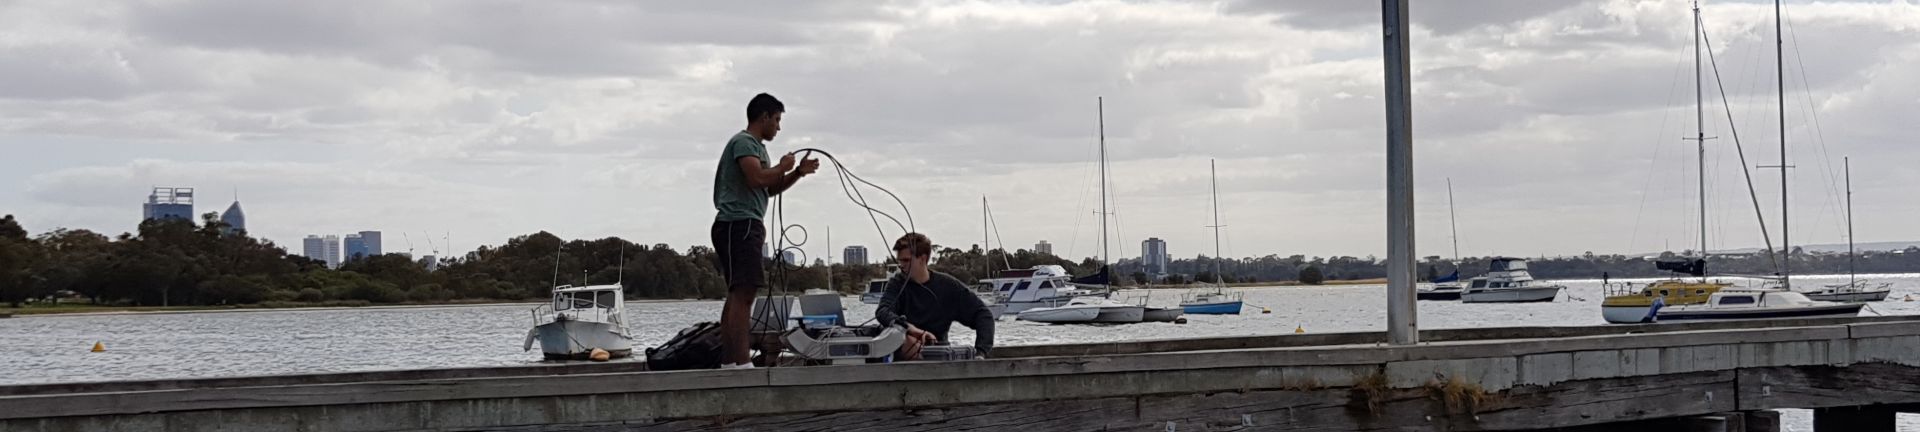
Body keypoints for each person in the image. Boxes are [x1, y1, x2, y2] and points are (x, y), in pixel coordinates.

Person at [710, 93, 819, 369]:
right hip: (740, 224)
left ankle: (730, 363)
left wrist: (797, 173)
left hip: (743, 224)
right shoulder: (744, 142)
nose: (779, 127)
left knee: (738, 293)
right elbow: (756, 178)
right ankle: (741, 363)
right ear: (764, 117)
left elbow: (768, 188)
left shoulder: (756, 147)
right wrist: (782, 166)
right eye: (777, 120)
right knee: (744, 294)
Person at [875, 233, 996, 360]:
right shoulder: (896, 284)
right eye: (899, 261)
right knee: (908, 341)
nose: (901, 266)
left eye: (906, 260)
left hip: (939, 356)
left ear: (922, 259)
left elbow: (983, 314)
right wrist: (911, 330)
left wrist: (980, 353)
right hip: (903, 358)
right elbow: (883, 311)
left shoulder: (948, 286)